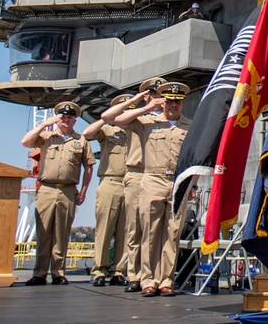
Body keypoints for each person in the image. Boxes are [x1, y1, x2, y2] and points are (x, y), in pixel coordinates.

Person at [105, 81, 192, 297]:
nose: (173, 105)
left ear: (183, 103)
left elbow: (192, 159)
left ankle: (166, 280)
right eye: (170, 101)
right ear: (163, 102)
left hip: (178, 181)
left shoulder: (189, 126)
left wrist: (192, 184)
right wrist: (143, 104)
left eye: (177, 101)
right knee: (150, 233)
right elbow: (110, 118)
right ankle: (148, 281)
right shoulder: (146, 122)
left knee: (171, 234)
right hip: (151, 178)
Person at [101, 78, 165, 293]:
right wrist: (141, 103)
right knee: (134, 228)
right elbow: (108, 118)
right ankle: (134, 275)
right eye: (153, 93)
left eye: (160, 93)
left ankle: (155, 277)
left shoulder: (171, 119)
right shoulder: (138, 118)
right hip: (137, 174)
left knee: (156, 230)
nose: (157, 97)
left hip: (160, 176)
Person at [21, 101, 94, 286]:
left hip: (68, 190)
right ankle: (39, 273)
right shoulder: (46, 137)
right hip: (46, 188)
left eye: (69, 118)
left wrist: (84, 191)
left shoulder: (80, 140)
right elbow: (26, 142)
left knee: (62, 233)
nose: (65, 121)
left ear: (75, 120)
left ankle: (58, 272)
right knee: (43, 232)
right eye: (62, 118)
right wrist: (44, 125)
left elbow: (89, 167)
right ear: (57, 119)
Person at [82, 99, 130, 287]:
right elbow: (87, 133)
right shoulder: (108, 130)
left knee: (126, 231)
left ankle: (118, 270)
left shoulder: (137, 130)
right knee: (104, 229)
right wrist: (106, 119)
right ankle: (99, 270)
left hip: (131, 183)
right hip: (110, 181)